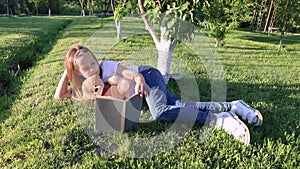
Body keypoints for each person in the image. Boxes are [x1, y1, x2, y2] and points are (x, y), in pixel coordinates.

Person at [55, 45, 263, 146]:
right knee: (180, 104)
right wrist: (67, 73)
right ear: (78, 72)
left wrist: (140, 81)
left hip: (148, 75)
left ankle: (218, 120)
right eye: (85, 67)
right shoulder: (87, 87)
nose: (92, 69)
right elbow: (60, 95)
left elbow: (133, 74)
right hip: (140, 89)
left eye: (92, 62)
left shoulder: (107, 67)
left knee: (160, 111)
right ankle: (234, 106)